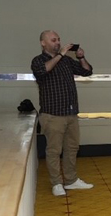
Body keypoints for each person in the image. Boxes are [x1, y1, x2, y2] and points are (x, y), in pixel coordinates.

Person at [31, 30, 94, 196]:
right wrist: (60, 54)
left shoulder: (66, 60)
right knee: (54, 150)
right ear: (43, 43)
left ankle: (71, 180)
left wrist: (80, 57)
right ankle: (56, 183)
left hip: (71, 113)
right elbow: (43, 71)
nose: (57, 42)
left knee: (72, 148)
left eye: (58, 39)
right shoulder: (38, 61)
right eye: (53, 40)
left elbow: (87, 71)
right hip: (53, 115)